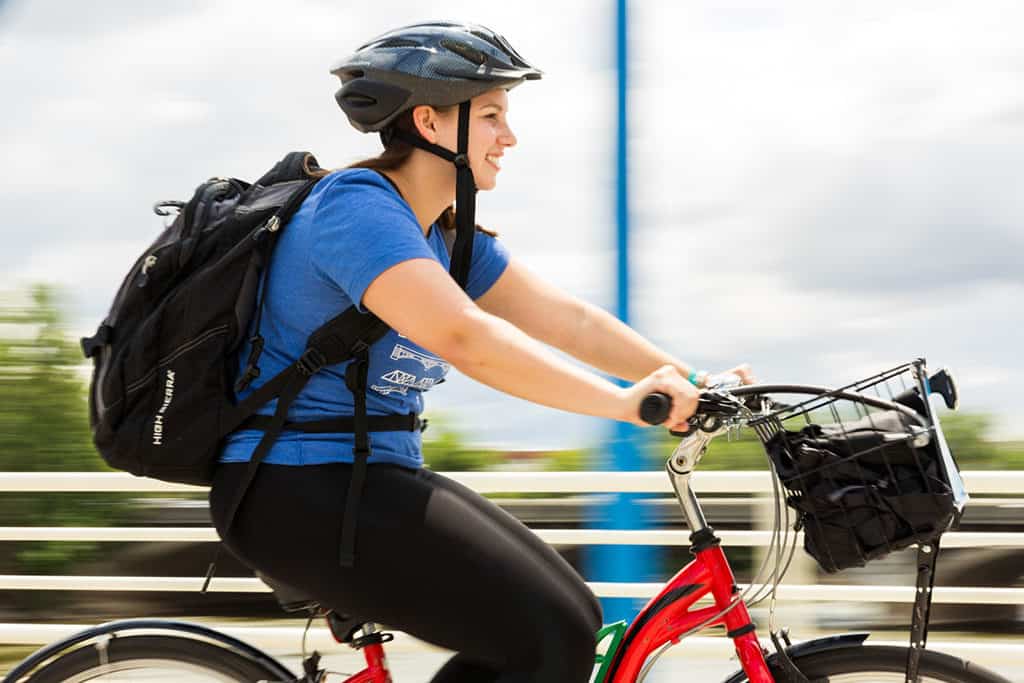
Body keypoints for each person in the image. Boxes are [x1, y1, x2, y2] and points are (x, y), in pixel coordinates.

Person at [208, 21, 755, 683]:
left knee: (572, 619)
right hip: (297, 489)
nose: (510, 137)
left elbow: (571, 322)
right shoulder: (355, 210)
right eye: (493, 115)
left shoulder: (444, 236)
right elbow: (466, 338)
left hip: (367, 481)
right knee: (552, 632)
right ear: (430, 123)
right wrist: (623, 403)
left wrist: (693, 380)